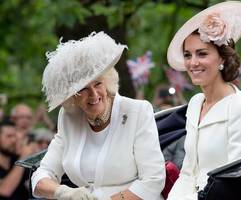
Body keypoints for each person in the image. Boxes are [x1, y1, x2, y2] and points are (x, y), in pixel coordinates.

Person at [31, 31, 165, 200]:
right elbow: (41, 175)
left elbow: (153, 180)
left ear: (107, 82)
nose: (94, 94)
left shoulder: (137, 111)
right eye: (83, 89)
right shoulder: (69, 118)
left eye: (98, 84)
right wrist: (63, 192)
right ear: (72, 97)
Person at [166, 1, 241, 199]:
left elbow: (234, 181)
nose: (193, 62)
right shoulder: (195, 103)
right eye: (187, 55)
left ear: (222, 59)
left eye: (202, 53)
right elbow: (187, 173)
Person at [0, 120, 36, 200]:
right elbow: (4, 191)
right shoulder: (20, 161)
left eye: (14, 136)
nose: (14, 140)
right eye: (9, 136)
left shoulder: (16, 160)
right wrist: (23, 156)